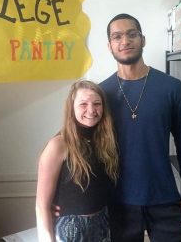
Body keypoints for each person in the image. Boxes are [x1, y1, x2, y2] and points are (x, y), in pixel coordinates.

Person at [100, 13, 181, 241]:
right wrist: (63, 196)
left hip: (164, 197)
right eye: (117, 37)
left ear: (142, 39)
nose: (125, 41)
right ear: (110, 46)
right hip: (118, 202)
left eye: (131, 34)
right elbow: (80, 144)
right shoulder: (101, 93)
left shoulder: (171, 88)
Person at [35, 80, 119, 242]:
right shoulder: (58, 144)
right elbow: (41, 206)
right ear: (71, 108)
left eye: (97, 104)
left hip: (102, 224)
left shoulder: (104, 142)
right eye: (83, 104)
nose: (91, 110)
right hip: (70, 229)